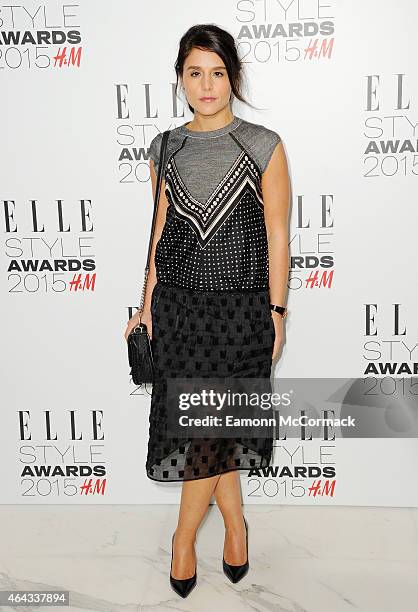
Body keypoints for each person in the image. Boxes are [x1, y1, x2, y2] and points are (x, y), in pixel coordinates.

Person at [124, 23, 290, 598]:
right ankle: (235, 525)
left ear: (233, 77)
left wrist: (277, 312)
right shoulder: (165, 148)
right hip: (180, 312)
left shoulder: (263, 144)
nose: (207, 85)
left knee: (215, 426)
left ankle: (183, 537)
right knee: (206, 429)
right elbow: (158, 234)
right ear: (181, 80)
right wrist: (144, 306)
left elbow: (276, 235)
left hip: (242, 311)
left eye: (217, 73)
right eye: (195, 73)